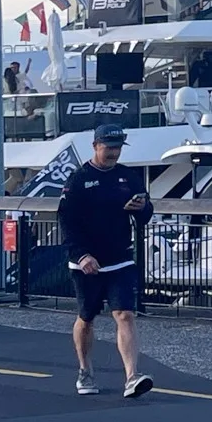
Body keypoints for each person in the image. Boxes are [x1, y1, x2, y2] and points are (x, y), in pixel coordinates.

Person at [57, 123, 154, 399]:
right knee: (87, 317)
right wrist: (81, 254)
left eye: (118, 148)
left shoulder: (128, 177)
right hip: (86, 261)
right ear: (96, 146)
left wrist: (142, 208)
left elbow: (146, 212)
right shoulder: (78, 179)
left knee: (125, 314)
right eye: (108, 147)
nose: (113, 153)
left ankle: (132, 376)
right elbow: (66, 222)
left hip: (120, 257)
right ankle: (85, 369)